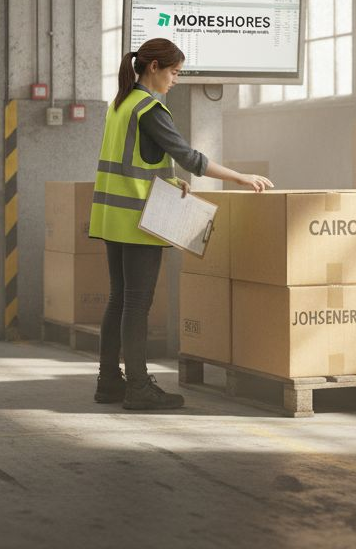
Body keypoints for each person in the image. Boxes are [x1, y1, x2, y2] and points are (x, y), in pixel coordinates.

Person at [88, 38, 274, 411]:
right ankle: (139, 387)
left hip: (112, 216)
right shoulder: (150, 108)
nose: (176, 80)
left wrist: (170, 181)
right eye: (174, 72)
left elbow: (136, 160)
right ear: (153, 67)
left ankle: (109, 381)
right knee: (137, 304)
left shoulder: (120, 104)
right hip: (140, 220)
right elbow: (190, 157)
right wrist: (239, 176)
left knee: (119, 299)